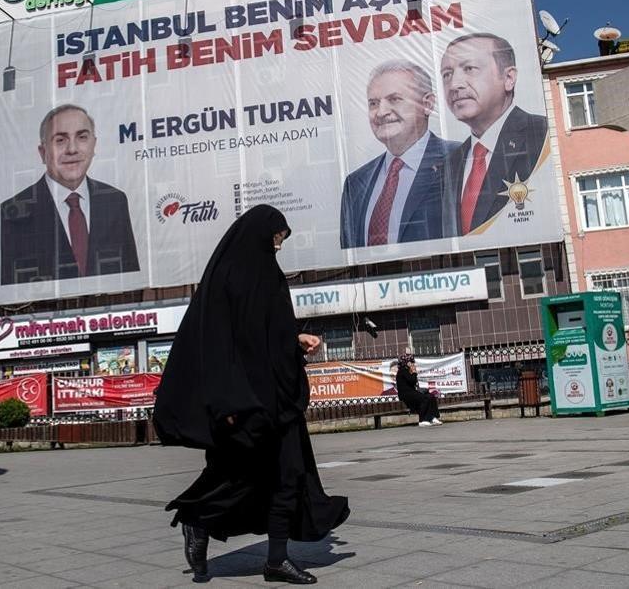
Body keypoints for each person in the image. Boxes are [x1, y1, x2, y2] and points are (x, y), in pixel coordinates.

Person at [154, 205, 349, 585]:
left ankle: (277, 560)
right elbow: (220, 346)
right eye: (277, 237)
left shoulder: (268, 275)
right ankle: (196, 521)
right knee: (238, 479)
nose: (278, 246)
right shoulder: (228, 277)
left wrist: (294, 341)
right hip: (244, 405)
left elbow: (265, 336)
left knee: (289, 475)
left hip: (279, 398)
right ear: (259, 233)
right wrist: (227, 402)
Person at [0, 103, 140, 285]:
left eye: (82, 137)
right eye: (60, 140)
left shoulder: (115, 200)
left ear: (93, 145)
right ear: (43, 153)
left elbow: (130, 274)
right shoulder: (13, 211)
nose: (72, 149)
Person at [340, 60, 459, 248]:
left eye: (394, 99)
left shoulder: (461, 160)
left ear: (427, 104)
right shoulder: (355, 184)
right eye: (373, 103)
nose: (381, 112)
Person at [439, 33, 549, 235]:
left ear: (508, 78)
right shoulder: (448, 165)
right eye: (447, 74)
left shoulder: (543, 134)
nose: (454, 85)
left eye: (469, 69)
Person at [394, 355, 441, 427]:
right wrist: (414, 372)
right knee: (424, 399)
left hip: (412, 392)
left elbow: (414, 382)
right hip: (406, 394)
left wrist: (413, 372)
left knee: (431, 396)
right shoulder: (403, 370)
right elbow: (412, 381)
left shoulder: (407, 370)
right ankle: (422, 420)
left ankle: (432, 417)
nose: (413, 363)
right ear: (406, 363)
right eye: (411, 362)